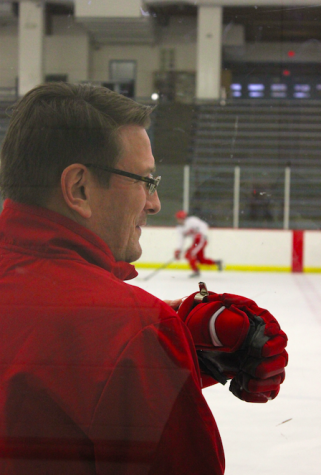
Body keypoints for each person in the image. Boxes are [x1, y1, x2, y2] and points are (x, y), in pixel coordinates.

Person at [0, 82, 288, 475]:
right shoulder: (132, 329)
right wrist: (150, 345)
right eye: (145, 181)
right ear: (78, 188)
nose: (153, 203)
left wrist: (173, 355)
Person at [174, 210, 223, 277]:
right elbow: (181, 240)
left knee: (189, 254)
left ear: (184, 218)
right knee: (201, 260)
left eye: (181, 218)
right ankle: (217, 263)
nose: (179, 220)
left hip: (201, 240)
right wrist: (178, 250)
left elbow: (204, 225)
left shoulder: (192, 221)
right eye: (178, 218)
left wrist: (202, 234)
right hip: (196, 242)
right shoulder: (179, 228)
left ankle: (196, 271)